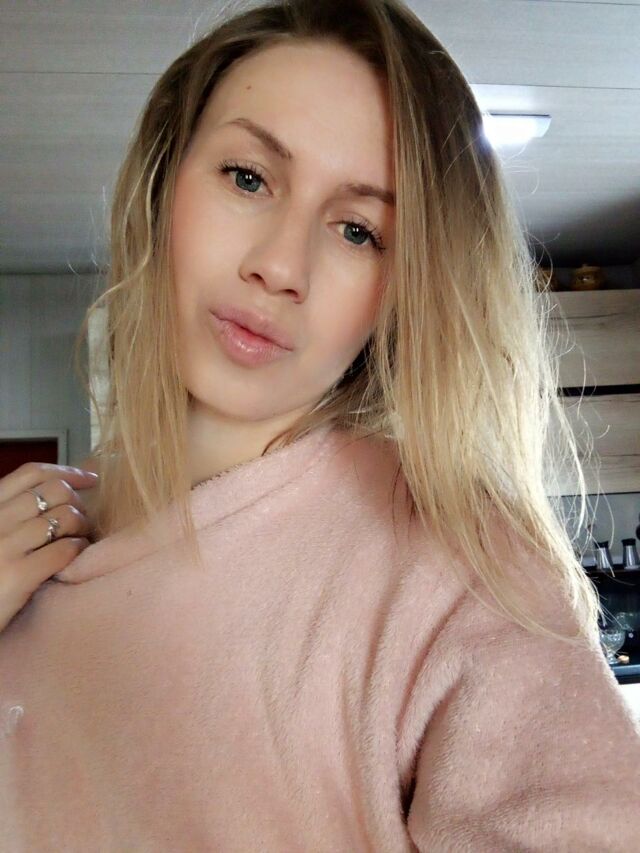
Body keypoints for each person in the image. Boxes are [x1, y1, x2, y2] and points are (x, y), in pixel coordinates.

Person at [1, 0, 639, 849]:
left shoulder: (458, 570)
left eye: (357, 230)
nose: (279, 265)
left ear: (405, 286)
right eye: (248, 178)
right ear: (161, 186)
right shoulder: (35, 539)